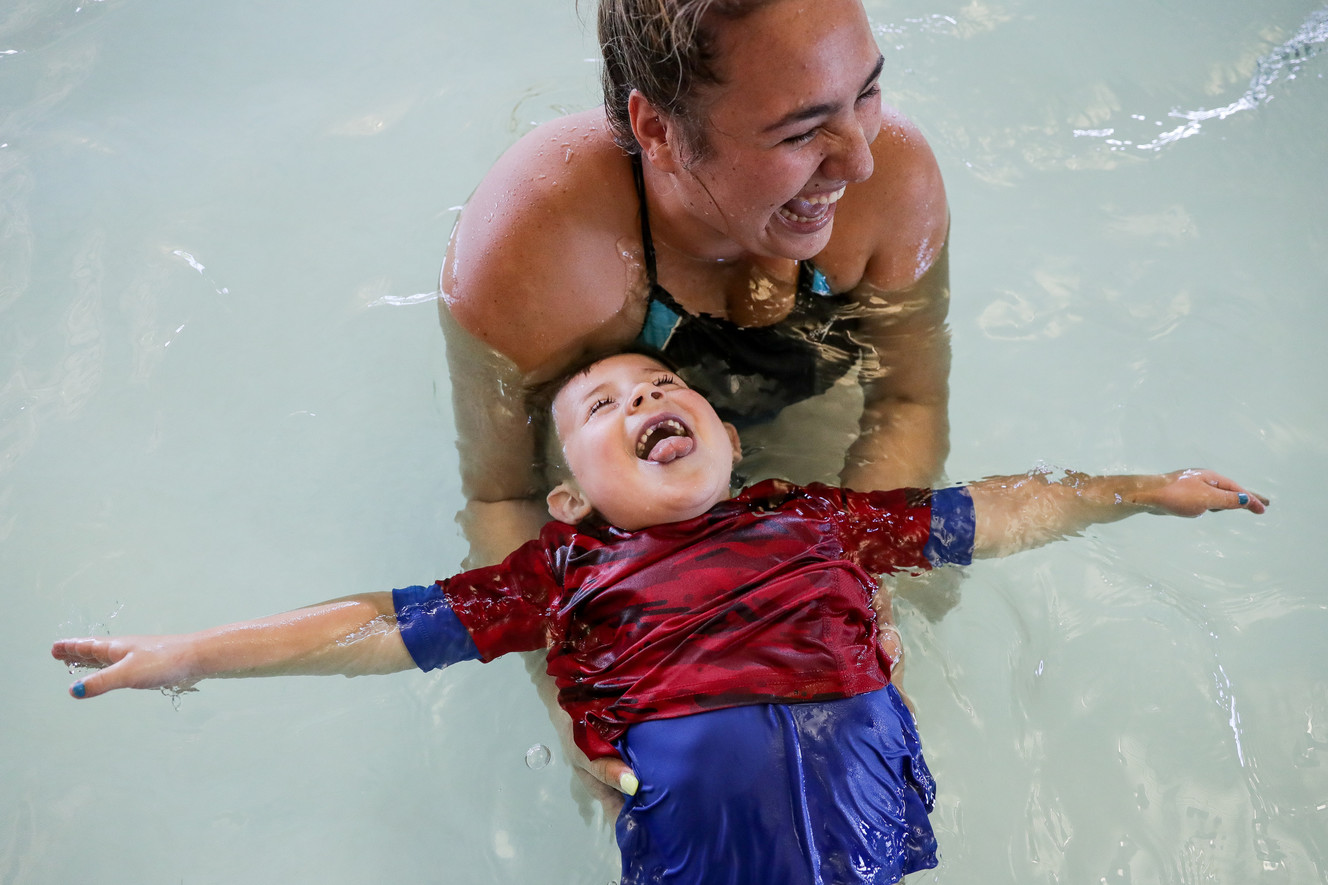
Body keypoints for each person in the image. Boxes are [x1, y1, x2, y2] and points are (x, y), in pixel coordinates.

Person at [53, 351, 1267, 885]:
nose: (640, 396)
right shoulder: (562, 570)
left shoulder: (817, 517)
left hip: (863, 827)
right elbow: (373, 626)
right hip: (705, 851)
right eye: (601, 404)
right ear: (570, 490)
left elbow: (991, 513)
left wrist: (1137, 494)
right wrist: (189, 655)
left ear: (727, 440)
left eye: (660, 387)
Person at [444, 0, 953, 801]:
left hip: (795, 426)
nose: (858, 160)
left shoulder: (892, 179)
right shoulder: (541, 244)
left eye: (868, 91)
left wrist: (847, 584)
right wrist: (579, 698)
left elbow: (907, 402)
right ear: (657, 131)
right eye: (800, 131)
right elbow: (502, 494)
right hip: (623, 478)